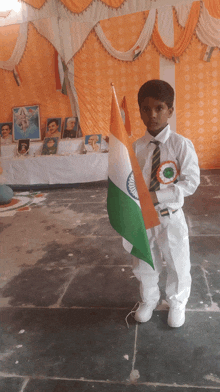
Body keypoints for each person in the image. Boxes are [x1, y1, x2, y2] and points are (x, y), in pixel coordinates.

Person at [132, 79, 200, 328]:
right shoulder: (136, 147)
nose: (152, 115)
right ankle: (149, 299)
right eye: (146, 108)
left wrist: (158, 196)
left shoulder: (180, 145)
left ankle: (177, 301)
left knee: (177, 259)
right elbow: (131, 181)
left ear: (170, 110)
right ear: (140, 110)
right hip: (143, 217)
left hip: (170, 214)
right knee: (144, 260)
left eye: (159, 108)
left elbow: (191, 182)